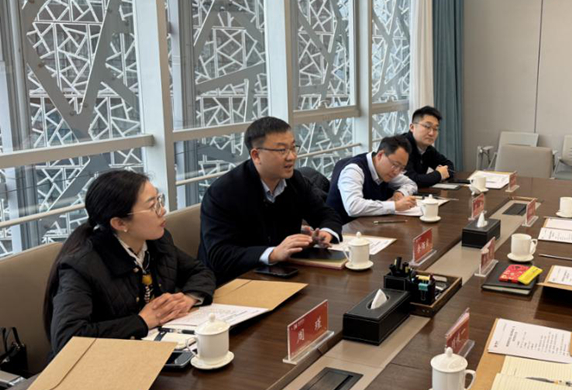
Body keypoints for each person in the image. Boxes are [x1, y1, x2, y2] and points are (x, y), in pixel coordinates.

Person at [45, 170, 216, 356]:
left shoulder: (157, 240)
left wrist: (187, 299)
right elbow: (67, 338)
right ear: (120, 223)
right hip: (103, 362)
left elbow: (200, 271)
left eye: (160, 200)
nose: (162, 210)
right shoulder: (81, 266)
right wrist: (142, 321)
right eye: (152, 206)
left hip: (155, 351)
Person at [198, 117, 343, 285]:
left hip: (281, 273)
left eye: (293, 148)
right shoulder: (223, 192)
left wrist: (325, 233)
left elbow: (326, 214)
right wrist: (273, 253)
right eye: (282, 150)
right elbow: (220, 255)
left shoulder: (295, 181)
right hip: (233, 282)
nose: (292, 157)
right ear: (256, 155)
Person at [326, 135, 418, 223]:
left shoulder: (387, 171)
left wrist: (400, 193)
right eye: (395, 165)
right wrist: (395, 205)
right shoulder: (354, 170)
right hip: (342, 228)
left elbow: (411, 184)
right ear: (380, 155)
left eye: (402, 168)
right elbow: (353, 207)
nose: (396, 172)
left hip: (368, 224)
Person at [399, 106, 456, 188]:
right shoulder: (401, 147)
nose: (431, 133)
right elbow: (411, 180)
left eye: (435, 129)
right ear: (412, 127)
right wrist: (439, 174)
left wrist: (441, 173)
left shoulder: (427, 149)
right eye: (427, 127)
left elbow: (449, 166)